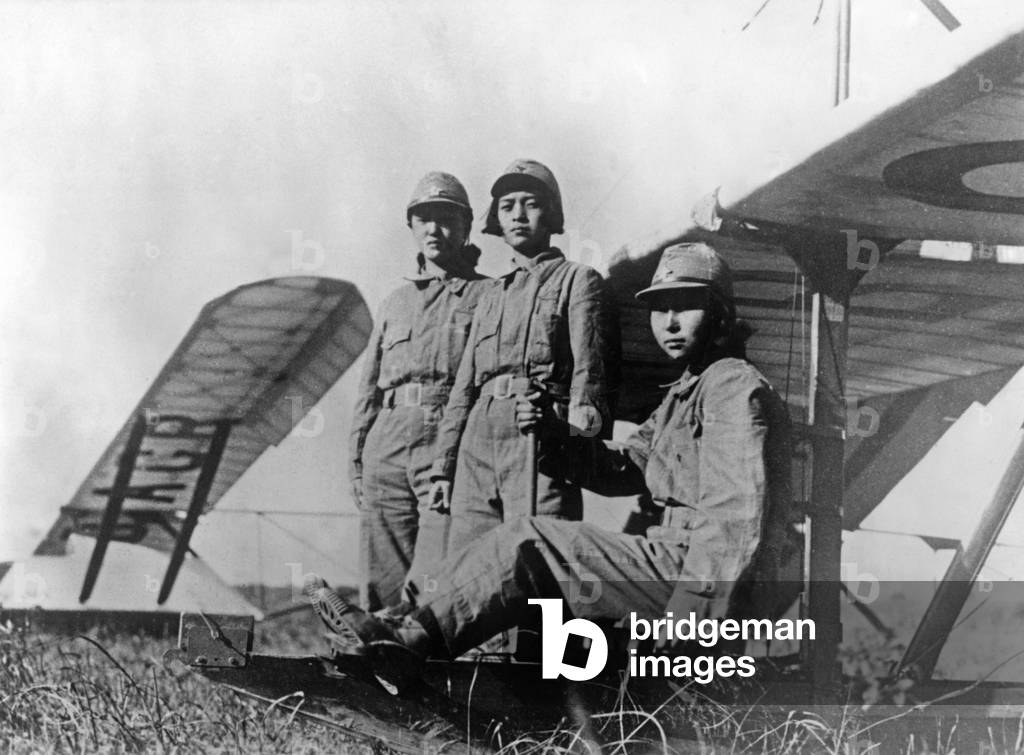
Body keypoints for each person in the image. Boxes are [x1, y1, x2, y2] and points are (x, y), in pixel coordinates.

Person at [309, 241, 800, 688]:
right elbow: (624, 470)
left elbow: (734, 515)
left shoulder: (733, 386)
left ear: (720, 314)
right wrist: (556, 436)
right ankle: (399, 630)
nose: (669, 322)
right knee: (523, 541)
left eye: (685, 306)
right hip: (676, 565)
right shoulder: (685, 393)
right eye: (659, 308)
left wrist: (694, 610)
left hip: (705, 580)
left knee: (530, 542)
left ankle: (409, 641)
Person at [424, 159, 618, 583]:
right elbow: (463, 389)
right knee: (466, 569)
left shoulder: (578, 280)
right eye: (508, 205)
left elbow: (591, 378)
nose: (518, 214)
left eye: (531, 204)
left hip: (540, 438)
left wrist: (569, 440)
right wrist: (444, 466)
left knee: (536, 569)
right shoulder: (491, 294)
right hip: (478, 441)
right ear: (496, 218)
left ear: (551, 213)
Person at [348, 172, 491, 611]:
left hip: (447, 442)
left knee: (437, 573)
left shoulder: (491, 295)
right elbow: (368, 387)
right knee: (384, 577)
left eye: (446, 219)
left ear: (467, 227)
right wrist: (356, 456)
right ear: (411, 227)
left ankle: (436, 670)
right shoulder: (395, 302)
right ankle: (379, 666)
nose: (434, 229)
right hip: (385, 444)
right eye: (424, 219)